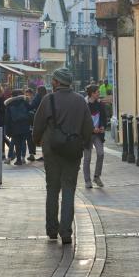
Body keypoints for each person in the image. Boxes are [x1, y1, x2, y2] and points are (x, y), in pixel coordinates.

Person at [33, 68, 93, 245]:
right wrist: (83, 143)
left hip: (52, 150)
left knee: (52, 189)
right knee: (69, 189)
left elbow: (38, 124)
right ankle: (66, 232)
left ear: (56, 82)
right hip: (73, 151)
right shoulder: (80, 101)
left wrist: (37, 141)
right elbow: (88, 126)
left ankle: (52, 229)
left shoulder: (48, 100)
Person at [82, 84, 108, 189]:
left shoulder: (100, 104)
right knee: (87, 158)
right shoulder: (84, 104)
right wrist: (91, 129)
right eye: (97, 92)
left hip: (98, 135)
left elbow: (104, 117)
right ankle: (87, 181)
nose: (99, 94)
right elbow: (82, 121)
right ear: (92, 93)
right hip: (87, 135)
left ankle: (97, 177)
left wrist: (102, 126)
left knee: (100, 153)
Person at [4, 89, 31, 165]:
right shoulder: (24, 102)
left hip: (14, 127)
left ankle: (18, 160)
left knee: (17, 143)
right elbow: (30, 110)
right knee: (23, 142)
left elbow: (7, 119)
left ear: (12, 96)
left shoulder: (9, 104)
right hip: (25, 125)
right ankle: (23, 158)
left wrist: (8, 130)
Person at [32, 85, 48, 160]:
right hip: (46, 119)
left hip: (39, 118)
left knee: (42, 138)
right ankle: (45, 155)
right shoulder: (47, 97)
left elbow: (32, 105)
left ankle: (44, 155)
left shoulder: (38, 97)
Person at [24, 89, 37, 161]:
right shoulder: (26, 101)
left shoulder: (34, 101)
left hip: (32, 122)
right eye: (26, 94)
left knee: (31, 139)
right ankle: (31, 154)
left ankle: (32, 154)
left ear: (32, 94)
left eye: (28, 94)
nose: (27, 96)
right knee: (29, 139)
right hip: (28, 122)